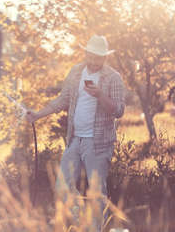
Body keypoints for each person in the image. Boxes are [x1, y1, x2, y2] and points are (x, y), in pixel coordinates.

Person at [26, 35, 125, 231]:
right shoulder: (75, 71)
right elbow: (62, 100)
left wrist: (99, 95)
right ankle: (82, 222)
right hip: (75, 140)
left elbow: (119, 111)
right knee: (62, 187)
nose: (95, 61)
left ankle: (95, 229)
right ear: (86, 54)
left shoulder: (113, 78)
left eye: (99, 57)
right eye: (92, 56)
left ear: (105, 57)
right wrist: (37, 115)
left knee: (97, 192)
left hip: (98, 143)